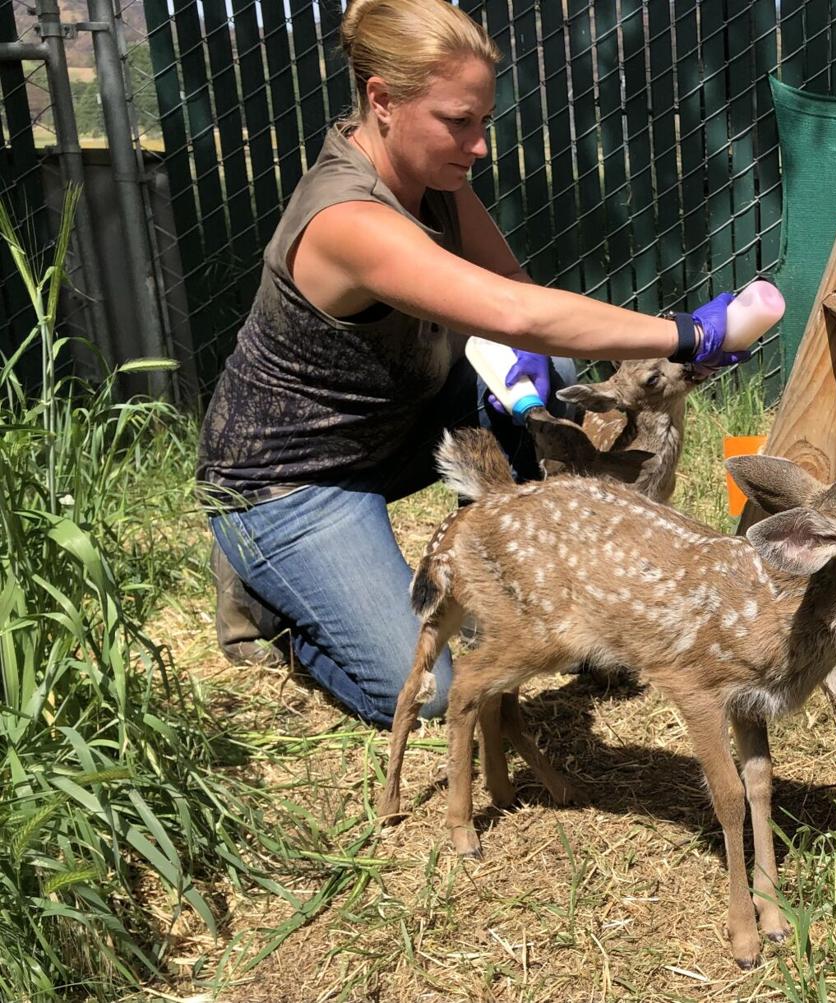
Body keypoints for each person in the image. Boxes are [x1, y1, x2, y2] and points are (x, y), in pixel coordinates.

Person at [196, 0, 746, 728]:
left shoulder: (433, 185)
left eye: (483, 120)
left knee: (539, 419)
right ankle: (269, 594)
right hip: (289, 479)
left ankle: (515, 587)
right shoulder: (347, 219)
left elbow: (515, 293)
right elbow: (516, 314)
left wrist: (534, 362)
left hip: (395, 418)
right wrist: (677, 334)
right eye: (460, 120)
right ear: (382, 101)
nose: (479, 143)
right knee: (435, 692)